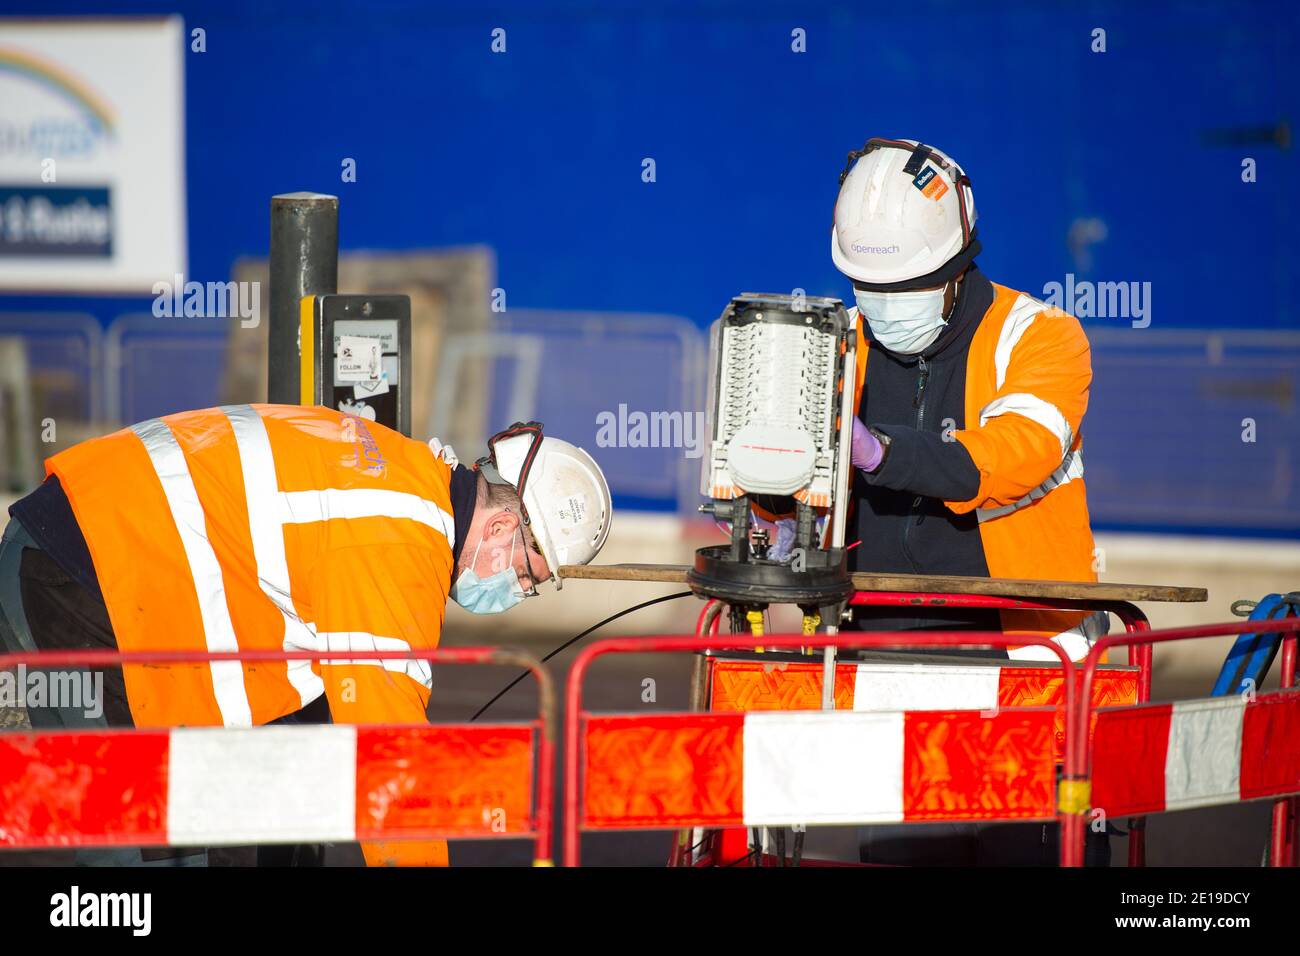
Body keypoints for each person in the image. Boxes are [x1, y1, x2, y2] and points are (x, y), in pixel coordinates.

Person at [0, 406, 611, 866]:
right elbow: (387, 753)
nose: (521, 592)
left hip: (101, 558)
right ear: (504, 526)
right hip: (82, 573)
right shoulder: (397, 542)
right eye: (530, 576)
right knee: (142, 841)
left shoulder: (408, 476)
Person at [830, 137, 1107, 865]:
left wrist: (878, 452)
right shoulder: (838, 347)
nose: (883, 307)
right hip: (893, 661)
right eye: (869, 287)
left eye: (903, 287)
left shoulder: (1042, 338)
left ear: (956, 269)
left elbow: (1013, 455)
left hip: (1028, 661)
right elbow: (792, 512)